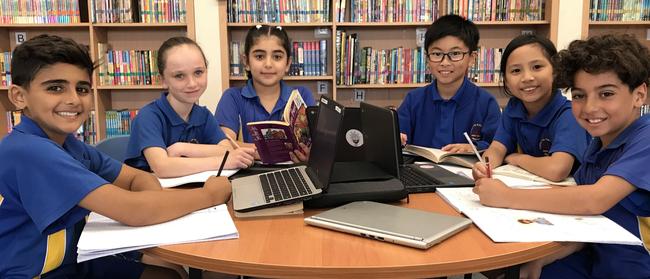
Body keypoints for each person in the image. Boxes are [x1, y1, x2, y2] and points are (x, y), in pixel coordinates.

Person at [0, 34, 232, 278]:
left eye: (82, 88)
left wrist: (150, 208)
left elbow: (137, 180)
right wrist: (209, 195)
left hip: (73, 260)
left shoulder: (69, 145)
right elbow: (134, 209)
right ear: (19, 96)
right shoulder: (30, 150)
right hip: (33, 272)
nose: (73, 99)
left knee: (169, 274)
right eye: (55, 88)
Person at [473, 34, 650, 279]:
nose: (590, 107)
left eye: (606, 94)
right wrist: (546, 257)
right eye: (579, 95)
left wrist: (507, 196)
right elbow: (593, 222)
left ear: (639, 95)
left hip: (631, 269)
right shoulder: (598, 144)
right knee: (509, 266)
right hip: (592, 255)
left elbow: (593, 200)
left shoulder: (646, 138)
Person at [125, 37, 255, 178]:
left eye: (198, 72)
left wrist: (182, 148)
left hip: (191, 190)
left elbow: (227, 149)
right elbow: (162, 167)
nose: (192, 83)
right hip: (150, 194)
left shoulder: (203, 115)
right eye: (179, 76)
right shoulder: (148, 116)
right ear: (163, 80)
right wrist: (223, 162)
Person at [472, 35, 589, 182]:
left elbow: (557, 170)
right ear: (506, 81)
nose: (527, 77)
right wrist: (484, 166)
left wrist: (517, 158)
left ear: (555, 71)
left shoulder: (569, 114)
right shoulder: (514, 108)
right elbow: (497, 148)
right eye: (516, 71)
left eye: (537, 67)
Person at [397, 14, 501, 152]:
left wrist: (473, 148)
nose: (445, 62)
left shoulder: (486, 103)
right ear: (427, 58)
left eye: (455, 53)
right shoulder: (413, 100)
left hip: (468, 172)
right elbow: (398, 138)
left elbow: (499, 147)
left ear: (472, 58)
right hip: (419, 171)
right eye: (437, 54)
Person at [215, 24, 316, 162]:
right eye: (259, 56)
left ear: (288, 63)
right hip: (247, 173)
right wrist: (278, 152)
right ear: (246, 62)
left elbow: (314, 146)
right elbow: (223, 146)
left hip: (294, 171)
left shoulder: (302, 95)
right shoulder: (232, 97)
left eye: (277, 57)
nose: (268, 64)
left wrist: (310, 153)